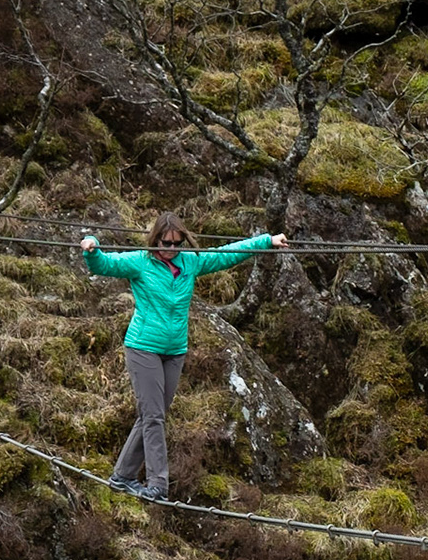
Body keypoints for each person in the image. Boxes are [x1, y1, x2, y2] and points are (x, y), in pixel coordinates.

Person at [80, 213, 288, 501]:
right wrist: (92, 247)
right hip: (143, 347)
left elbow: (227, 255)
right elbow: (106, 264)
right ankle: (157, 485)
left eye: (177, 243)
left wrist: (267, 241)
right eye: (166, 242)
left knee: (153, 415)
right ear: (156, 239)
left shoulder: (190, 262)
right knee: (153, 417)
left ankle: (122, 476)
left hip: (175, 351)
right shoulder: (140, 262)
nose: (171, 248)